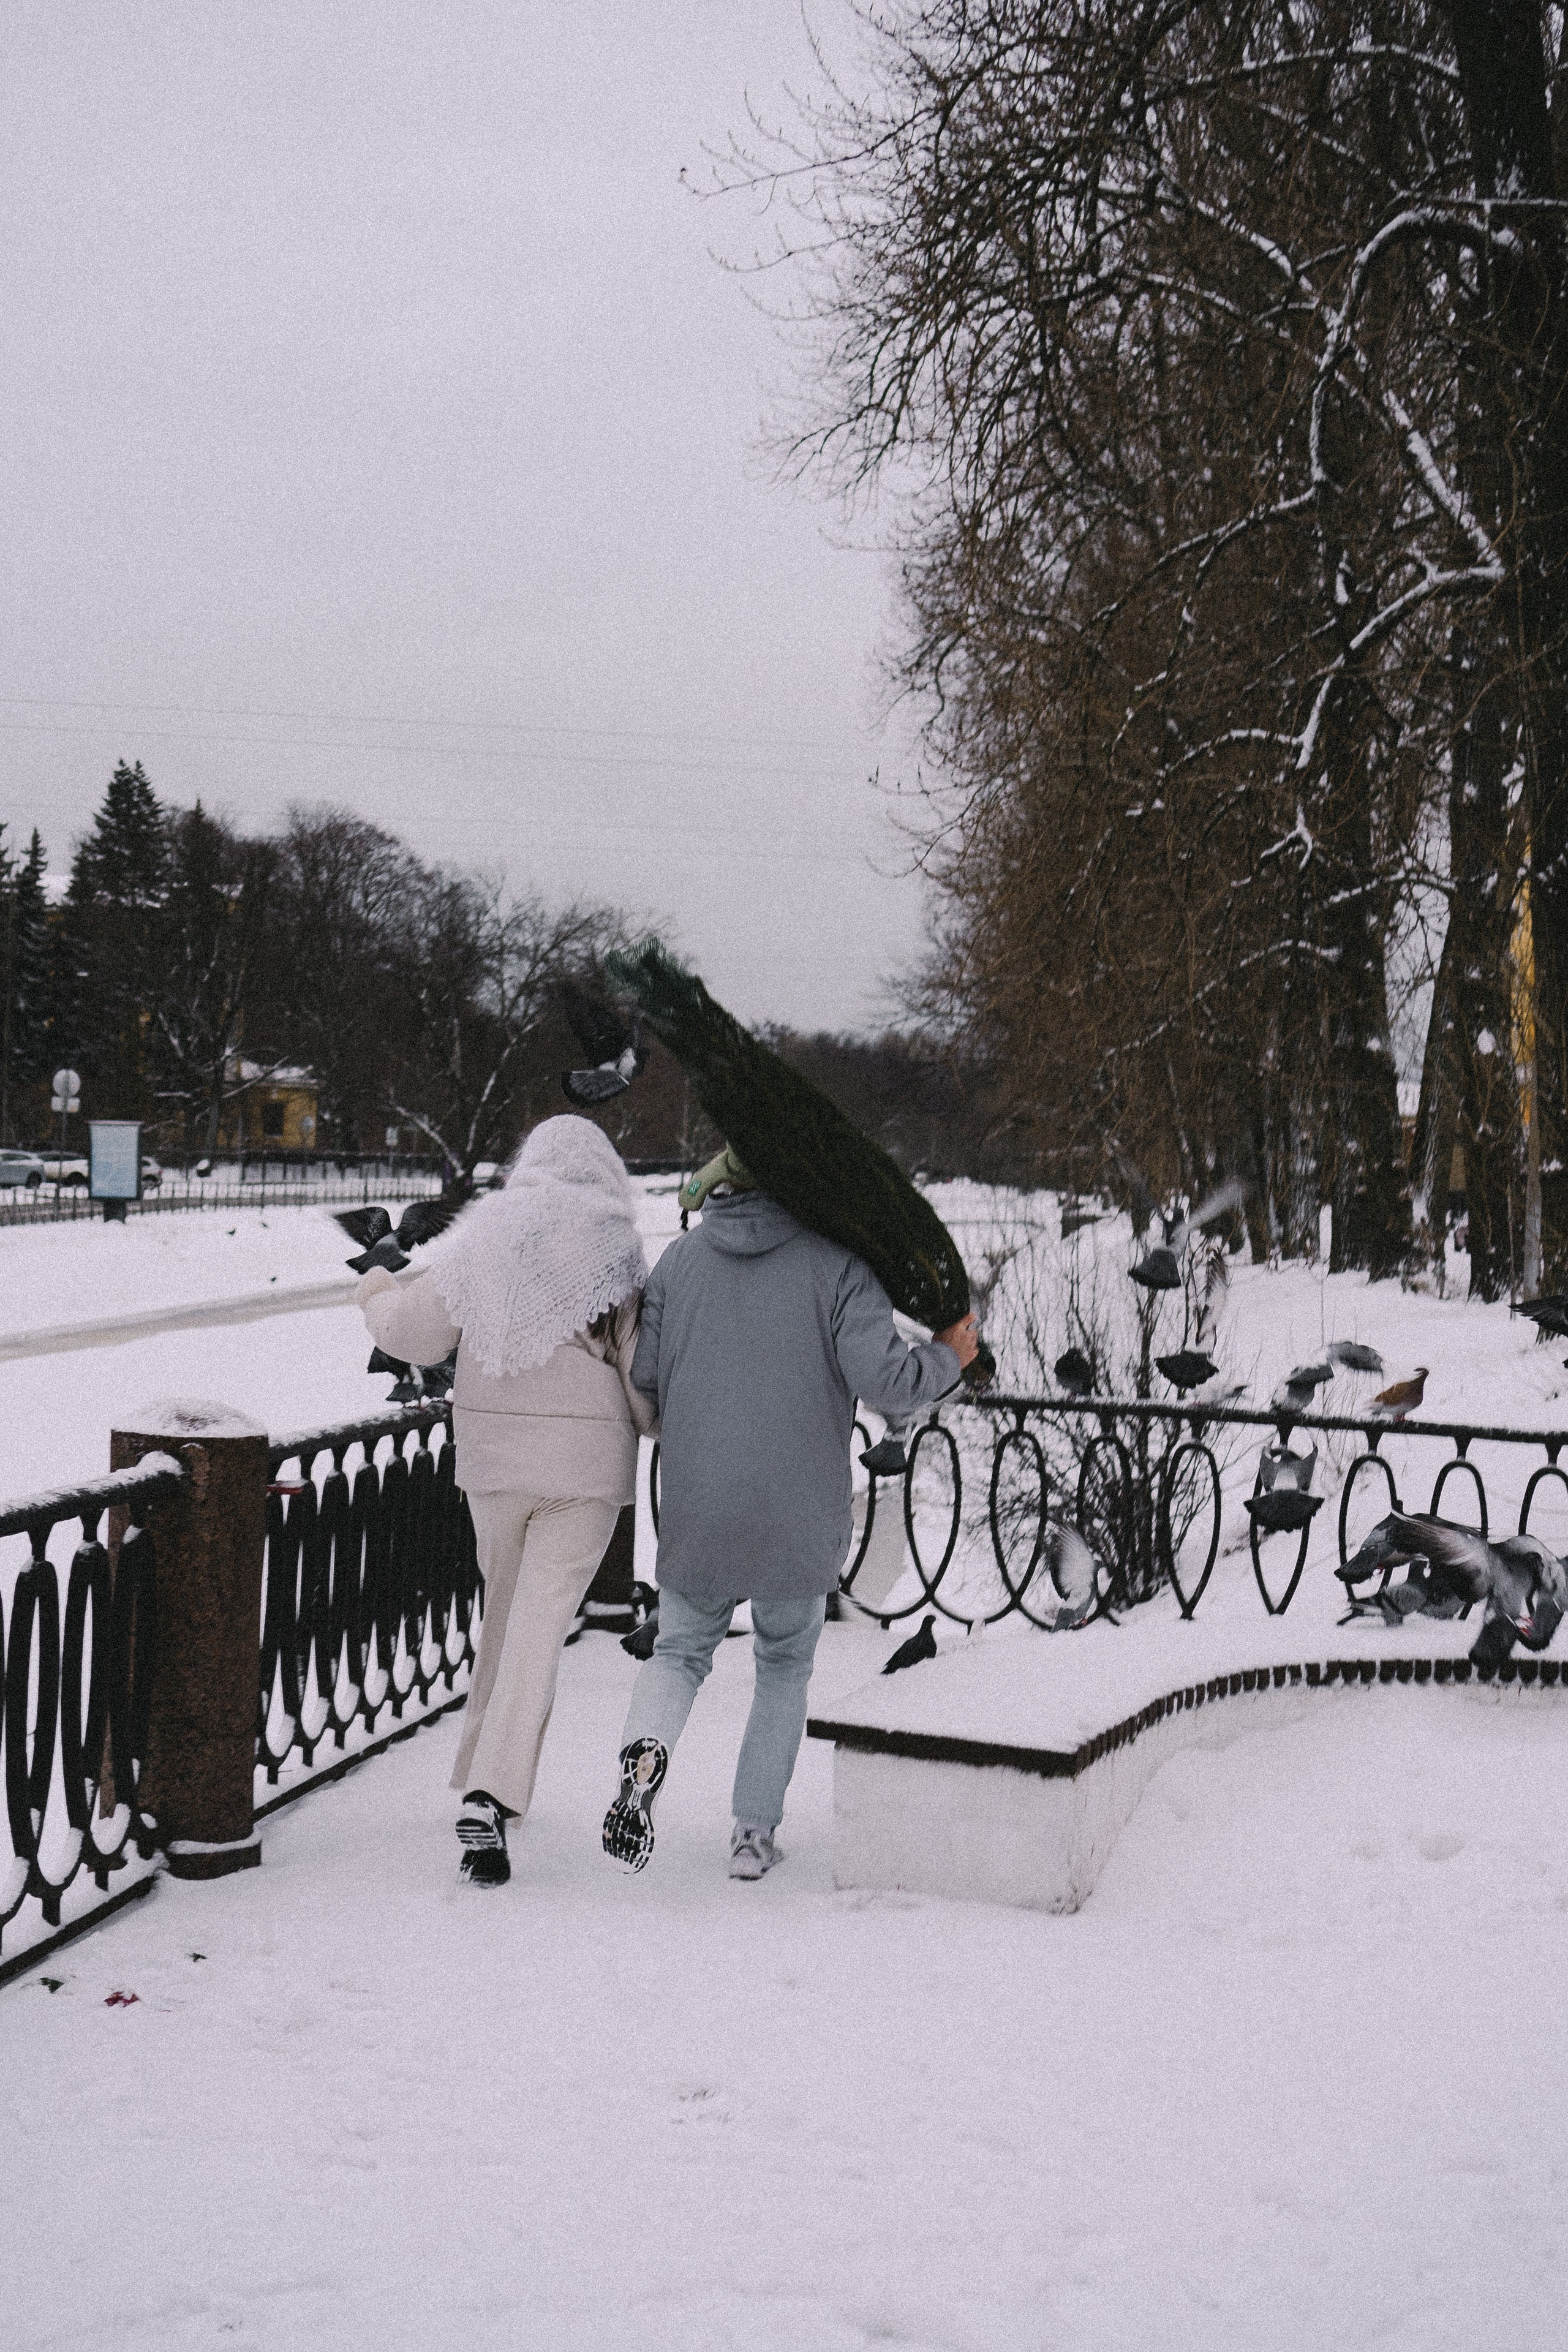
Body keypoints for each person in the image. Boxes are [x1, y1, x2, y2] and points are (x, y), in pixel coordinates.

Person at [601, 1153, 979, 1881]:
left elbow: (646, 1376)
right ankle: (752, 1833)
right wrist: (947, 1357)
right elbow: (886, 1382)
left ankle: (645, 1754)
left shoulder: (680, 1262)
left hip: (699, 1500)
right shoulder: (841, 1265)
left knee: (678, 1653)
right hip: (797, 1507)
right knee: (782, 1666)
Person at [358, 1115, 655, 1888]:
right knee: (536, 1628)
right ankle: (491, 1794)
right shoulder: (617, 1250)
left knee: (507, 1616)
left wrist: (377, 1285)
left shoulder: (488, 1235)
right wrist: (658, 1423)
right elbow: (642, 1378)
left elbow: (414, 1335)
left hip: (494, 1463)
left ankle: (481, 1778)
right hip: (584, 1471)